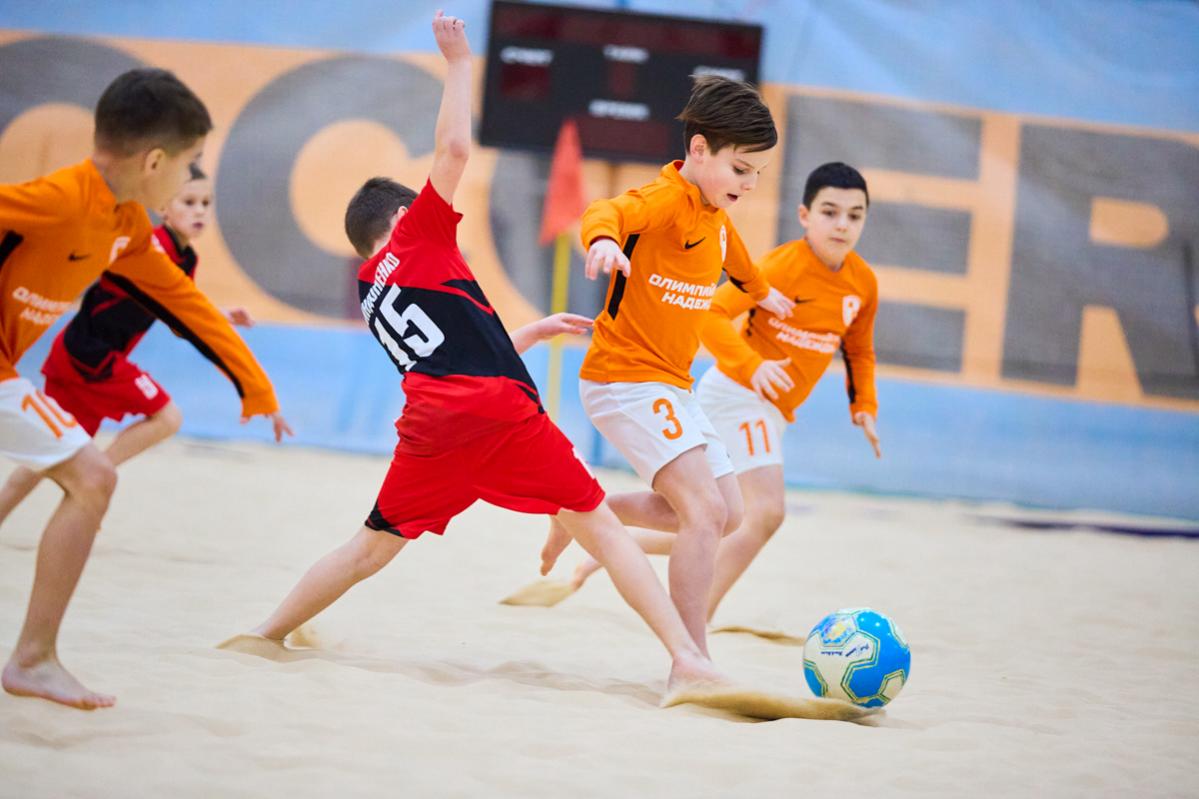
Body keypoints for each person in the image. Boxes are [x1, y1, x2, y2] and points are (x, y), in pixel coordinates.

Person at [225, 12, 721, 696]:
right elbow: (455, 149)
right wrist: (459, 63)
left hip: (430, 431)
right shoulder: (419, 233)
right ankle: (688, 659)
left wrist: (529, 333)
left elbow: (445, 360)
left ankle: (265, 631)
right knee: (602, 529)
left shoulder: (371, 287)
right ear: (402, 218)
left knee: (368, 546)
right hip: (499, 415)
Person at [0, 67, 291, 709]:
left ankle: (32, 658)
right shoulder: (59, 199)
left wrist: (255, 387)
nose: (191, 180)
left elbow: (187, 305)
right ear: (156, 161)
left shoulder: (128, 226)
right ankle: (33, 659)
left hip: (7, 372)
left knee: (88, 474)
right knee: (93, 476)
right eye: (190, 163)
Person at [537, 75, 795, 655]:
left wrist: (763, 293)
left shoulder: (716, 215)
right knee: (704, 511)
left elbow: (739, 261)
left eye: (758, 172)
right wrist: (603, 241)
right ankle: (692, 657)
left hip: (671, 385)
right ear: (699, 149)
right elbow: (606, 210)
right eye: (741, 169)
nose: (750, 184)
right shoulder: (667, 200)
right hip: (623, 377)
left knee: (729, 514)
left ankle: (581, 511)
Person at [568, 162, 881, 623]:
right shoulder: (782, 266)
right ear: (804, 215)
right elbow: (713, 313)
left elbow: (859, 349)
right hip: (737, 395)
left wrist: (864, 406)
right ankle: (697, 621)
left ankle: (615, 536)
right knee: (766, 513)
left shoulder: (863, 283)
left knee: (720, 520)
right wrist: (753, 366)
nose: (842, 225)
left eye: (854, 216)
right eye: (830, 212)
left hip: (772, 410)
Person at [0, 166, 261, 521]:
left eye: (206, 203)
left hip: (77, 356)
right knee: (167, 417)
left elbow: (178, 313)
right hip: (89, 355)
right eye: (189, 202)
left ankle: (87, 483)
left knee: (42, 461)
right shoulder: (148, 244)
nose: (199, 211)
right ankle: (98, 474)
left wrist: (220, 316)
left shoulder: (187, 258)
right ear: (164, 207)